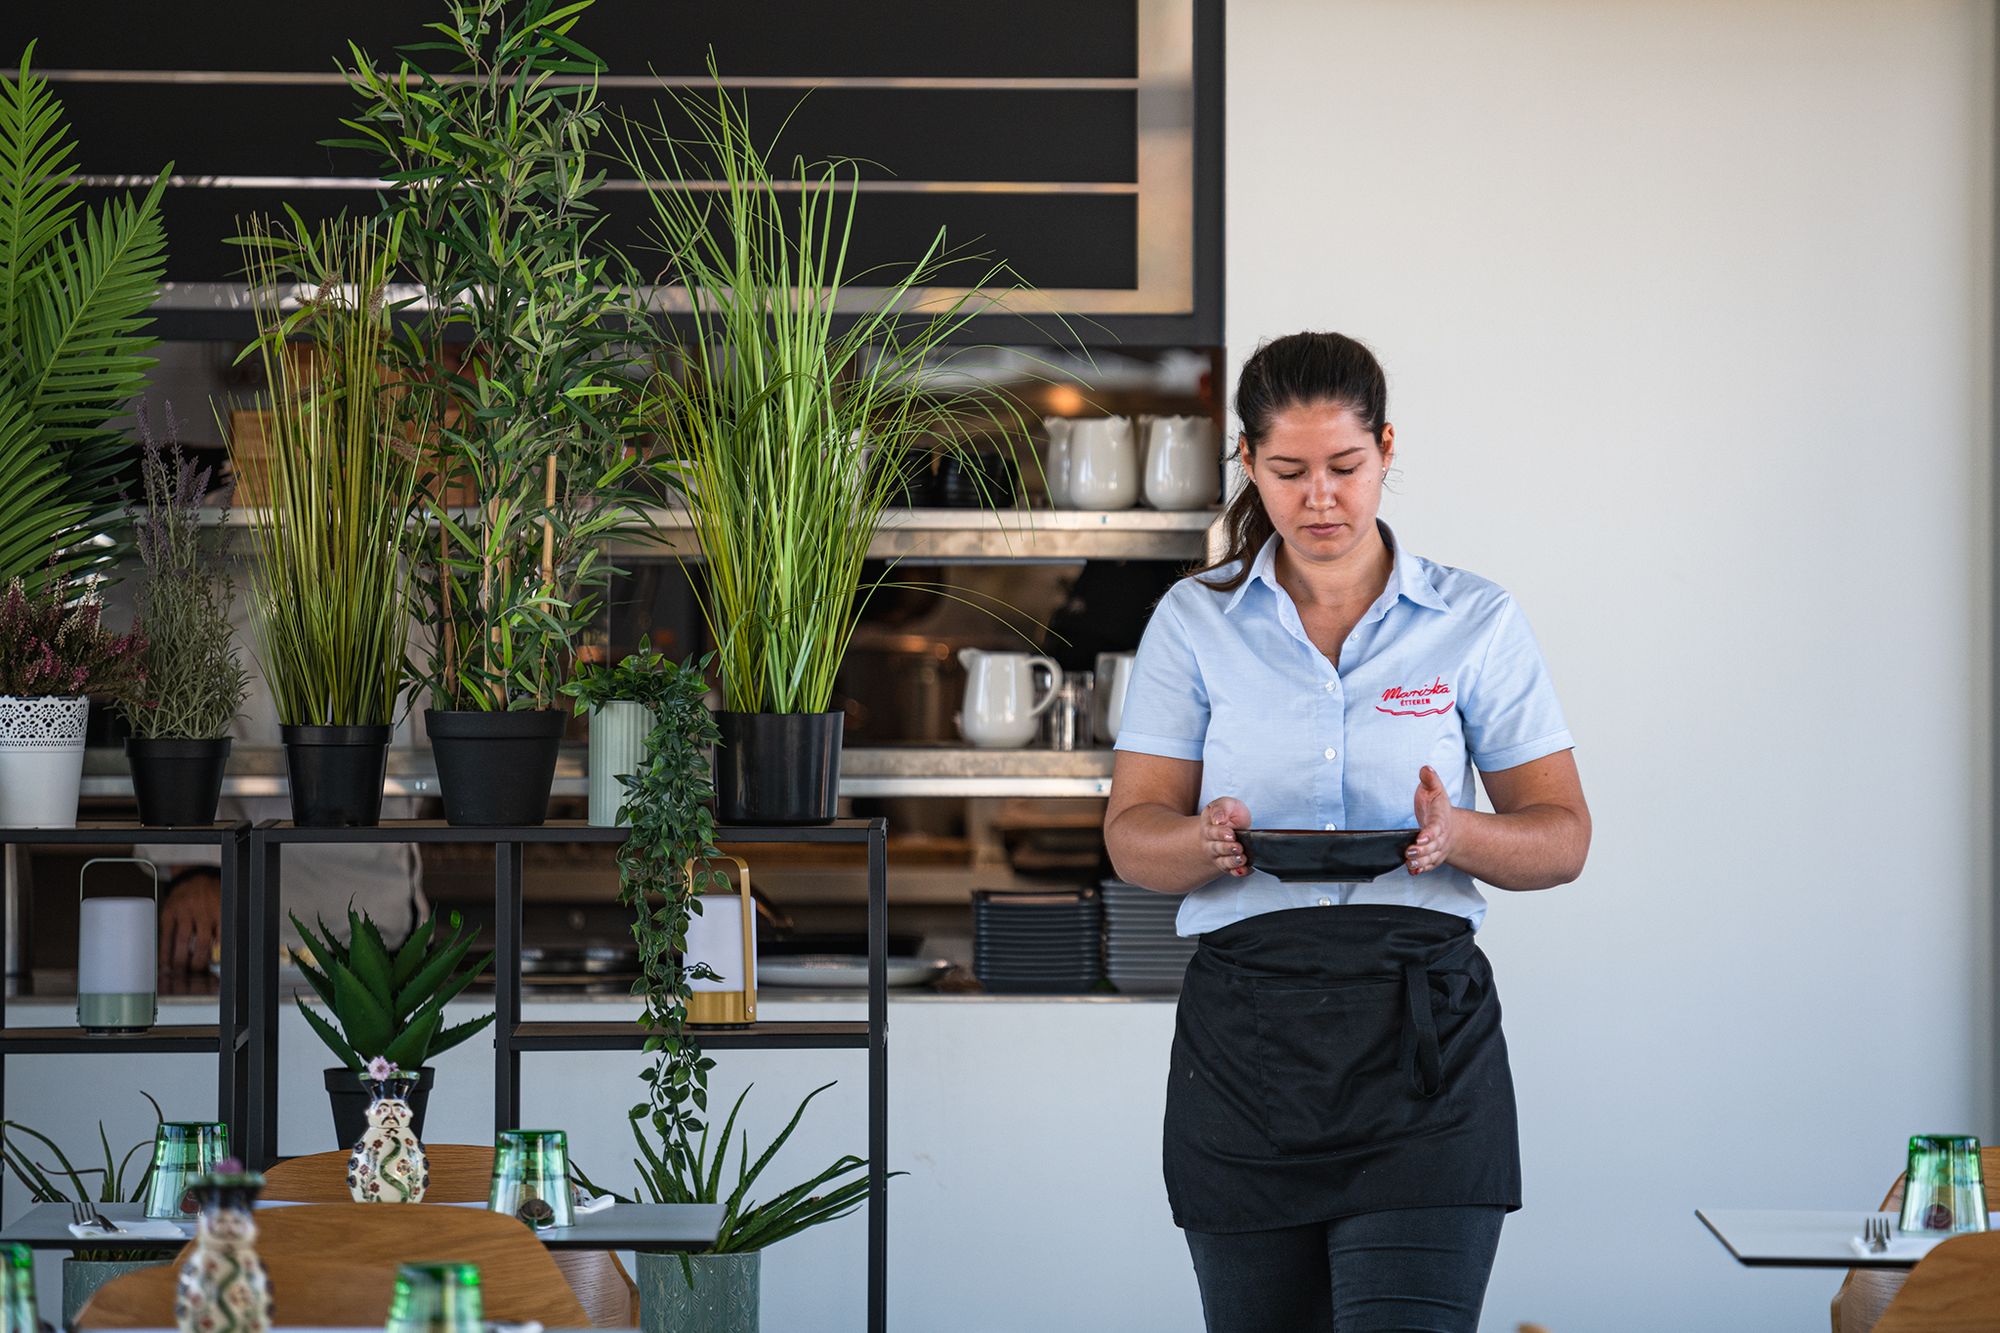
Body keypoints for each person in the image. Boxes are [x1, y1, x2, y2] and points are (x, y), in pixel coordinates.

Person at [1102, 332, 1591, 1333]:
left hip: (1423, 1048)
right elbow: (1129, 835)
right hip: (1242, 1047)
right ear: (1246, 463)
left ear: (1385, 451)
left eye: (1343, 467)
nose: (1318, 496)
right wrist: (1205, 841)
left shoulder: (1472, 620)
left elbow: (1561, 838)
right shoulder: (1192, 621)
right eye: (1287, 471)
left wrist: (1454, 833)